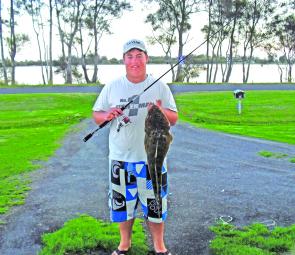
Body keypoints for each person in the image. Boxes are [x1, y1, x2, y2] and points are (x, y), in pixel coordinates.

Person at [92, 39, 178, 255]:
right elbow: (97, 115)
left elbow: (174, 118)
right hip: (120, 158)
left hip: (152, 159)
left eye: (139, 55)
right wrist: (107, 115)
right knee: (123, 206)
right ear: (124, 60)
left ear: (146, 58)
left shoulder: (160, 86)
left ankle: (160, 247)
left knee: (156, 204)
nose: (134, 60)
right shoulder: (112, 86)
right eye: (130, 56)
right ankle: (124, 245)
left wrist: (159, 110)